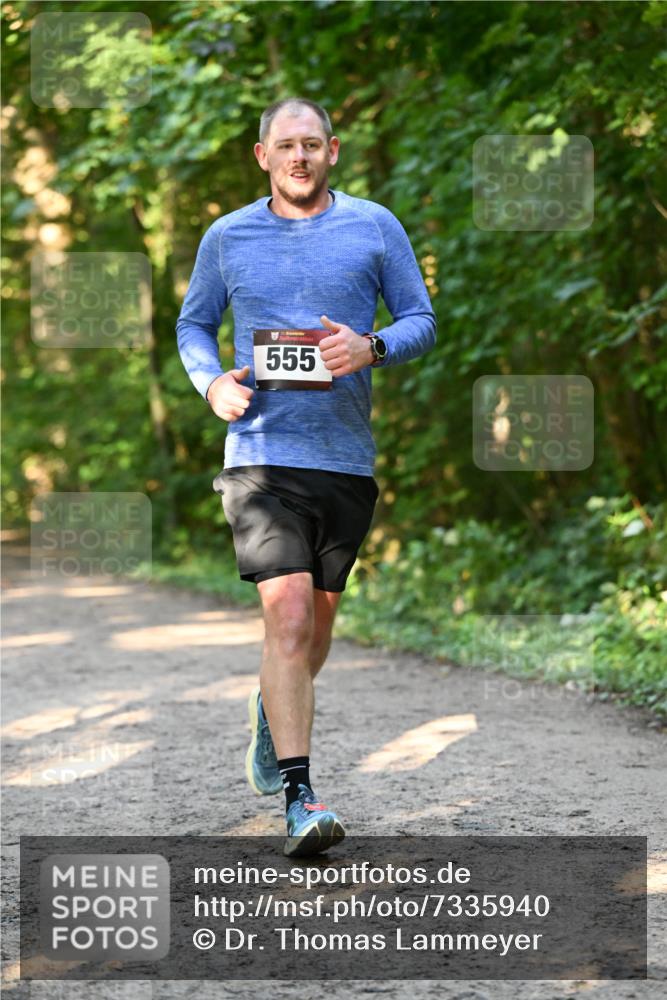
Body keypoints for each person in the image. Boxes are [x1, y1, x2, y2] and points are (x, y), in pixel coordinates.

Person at [176, 97, 436, 857]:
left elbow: (419, 318)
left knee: (313, 631)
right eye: (284, 145)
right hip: (258, 455)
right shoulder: (227, 236)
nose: (298, 157)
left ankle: (271, 707)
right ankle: (300, 796)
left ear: (332, 151)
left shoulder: (373, 225)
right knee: (287, 619)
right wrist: (209, 384)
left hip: (344, 458)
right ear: (262, 155)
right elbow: (195, 322)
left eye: (311, 144)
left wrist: (373, 348)